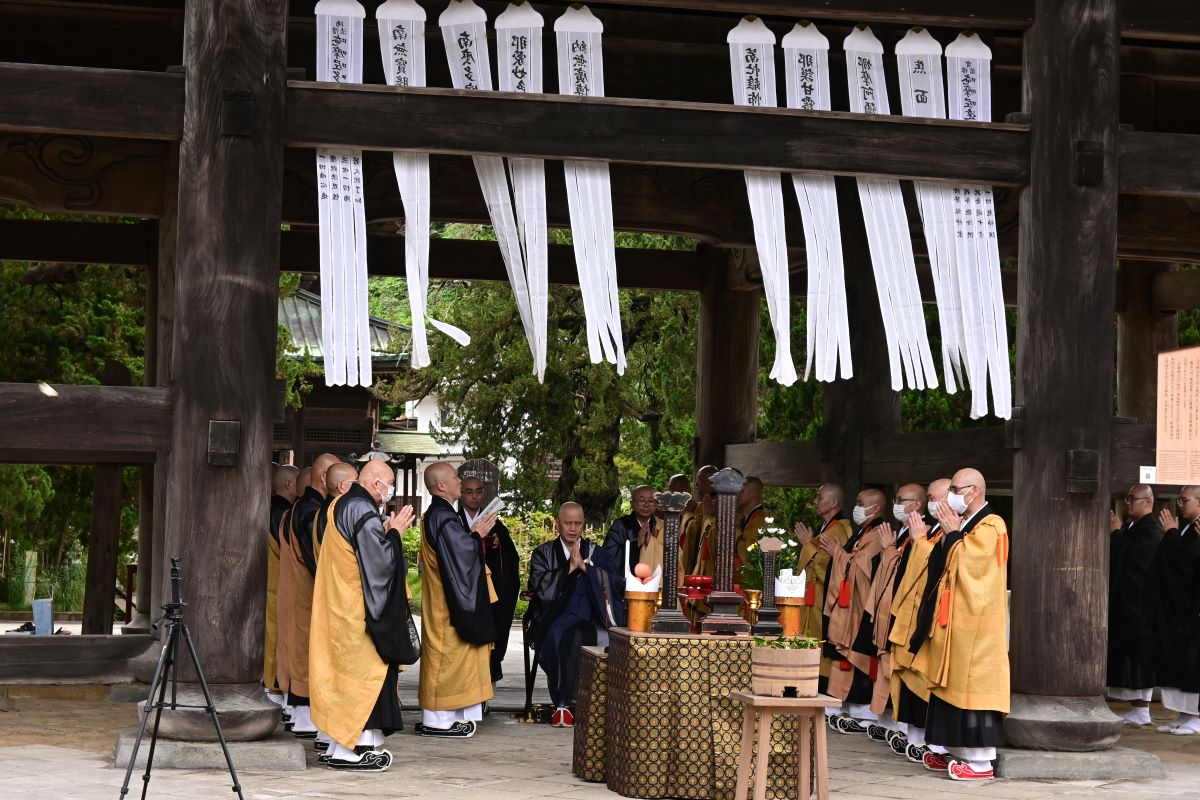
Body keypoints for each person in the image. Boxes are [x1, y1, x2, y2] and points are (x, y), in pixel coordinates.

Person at [309, 460, 415, 771]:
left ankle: (339, 743)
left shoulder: (340, 505)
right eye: (390, 483)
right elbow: (380, 563)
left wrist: (384, 532)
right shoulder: (363, 510)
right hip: (359, 612)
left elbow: (358, 550)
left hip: (338, 605)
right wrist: (394, 533)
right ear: (376, 483)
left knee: (343, 679)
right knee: (365, 679)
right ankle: (350, 749)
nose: (390, 490)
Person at [919, 468, 1010, 782]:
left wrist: (954, 534)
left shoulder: (992, 524)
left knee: (973, 687)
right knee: (951, 684)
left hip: (977, 626)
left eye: (956, 489)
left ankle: (980, 761)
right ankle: (955, 749)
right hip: (955, 623)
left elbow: (975, 565)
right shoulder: (967, 524)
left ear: (974, 491)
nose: (951, 496)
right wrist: (952, 533)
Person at [526, 502, 624, 728]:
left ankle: (566, 704)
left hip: (590, 615)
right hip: (554, 615)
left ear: (584, 525)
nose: (572, 528)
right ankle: (566, 703)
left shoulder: (596, 553)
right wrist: (568, 568)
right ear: (557, 524)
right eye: (567, 523)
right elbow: (540, 588)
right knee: (557, 636)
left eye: (577, 523)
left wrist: (588, 570)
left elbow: (615, 584)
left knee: (575, 637)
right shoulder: (544, 553)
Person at [418, 462, 497, 738]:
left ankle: (448, 716)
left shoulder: (439, 515)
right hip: (447, 604)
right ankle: (438, 719)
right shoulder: (442, 516)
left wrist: (472, 534)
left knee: (453, 657)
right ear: (441, 485)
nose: (459, 481)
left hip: (441, 597)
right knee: (448, 656)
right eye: (454, 477)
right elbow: (462, 553)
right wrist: (477, 534)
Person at [888, 478, 951, 763]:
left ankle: (930, 741)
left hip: (932, 615)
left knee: (924, 675)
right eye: (930, 497)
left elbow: (942, 565)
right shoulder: (932, 529)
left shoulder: (951, 531)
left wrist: (919, 542)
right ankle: (912, 734)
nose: (932, 503)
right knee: (908, 670)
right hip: (913, 610)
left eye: (935, 497)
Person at [276, 452, 339, 739]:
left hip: (299, 596)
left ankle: (302, 713)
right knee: (307, 655)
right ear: (324, 477)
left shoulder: (302, 507)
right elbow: (321, 560)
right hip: (310, 596)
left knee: (300, 651)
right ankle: (306, 717)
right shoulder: (312, 511)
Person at [861, 484, 927, 749]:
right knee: (885, 661)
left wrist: (889, 550)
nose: (896, 503)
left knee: (897, 664)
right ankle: (887, 719)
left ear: (918, 505)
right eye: (896, 499)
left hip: (905, 609)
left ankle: (901, 725)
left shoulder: (922, 535)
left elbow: (910, 570)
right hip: (889, 606)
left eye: (902, 500)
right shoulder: (902, 533)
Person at [821, 488, 889, 735]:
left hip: (860, 606)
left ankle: (861, 710)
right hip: (847, 605)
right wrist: (841, 554)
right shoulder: (863, 531)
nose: (856, 507)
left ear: (876, 508)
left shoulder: (877, 534)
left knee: (854, 651)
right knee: (841, 650)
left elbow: (860, 568)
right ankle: (844, 704)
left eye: (861, 503)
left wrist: (838, 553)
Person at [1105, 484, 1163, 726]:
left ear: (1148, 502)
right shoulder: (1133, 527)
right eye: (1126, 498)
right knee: (1131, 657)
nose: (1128, 502)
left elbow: (1136, 561)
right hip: (1127, 604)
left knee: (1140, 658)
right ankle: (1138, 710)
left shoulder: (1151, 531)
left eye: (1132, 498)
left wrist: (1117, 535)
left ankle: (1142, 710)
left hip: (1140, 606)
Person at [1145, 488, 1200, 735]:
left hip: (1194, 608)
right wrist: (1173, 536)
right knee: (1180, 660)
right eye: (1180, 500)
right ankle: (1185, 714)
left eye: (1185, 500)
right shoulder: (1189, 527)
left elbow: (1187, 563)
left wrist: (1171, 536)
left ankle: (1196, 716)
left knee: (1193, 662)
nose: (1180, 505)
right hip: (1182, 609)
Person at [458, 474, 520, 684]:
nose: (474, 496)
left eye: (478, 491)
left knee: (493, 633)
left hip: (492, 591)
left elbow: (510, 559)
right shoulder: (454, 521)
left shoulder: (494, 523)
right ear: (461, 493)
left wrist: (494, 543)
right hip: (467, 591)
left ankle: (487, 686)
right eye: (468, 491)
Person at [793, 483, 853, 694]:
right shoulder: (826, 527)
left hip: (826, 596)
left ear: (834, 502)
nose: (815, 502)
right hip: (814, 594)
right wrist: (810, 545)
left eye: (820, 498)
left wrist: (807, 544)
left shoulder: (839, 529)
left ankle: (823, 688)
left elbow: (828, 563)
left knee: (821, 637)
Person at [264, 465, 298, 705]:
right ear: (288, 485)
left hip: (272, 583)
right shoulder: (284, 514)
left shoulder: (273, 510)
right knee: (278, 636)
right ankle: (275, 689)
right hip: (280, 584)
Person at [602, 484, 666, 580]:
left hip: (655, 584)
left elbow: (673, 557)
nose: (646, 504)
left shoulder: (661, 526)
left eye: (651, 501)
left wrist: (652, 543)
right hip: (625, 586)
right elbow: (608, 557)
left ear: (656, 504)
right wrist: (636, 544)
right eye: (641, 500)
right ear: (632, 504)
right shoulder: (620, 525)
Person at [315, 462, 358, 561]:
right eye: (355, 483)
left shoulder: (326, 508)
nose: (358, 487)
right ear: (342, 486)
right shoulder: (336, 513)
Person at [681, 466, 717, 579]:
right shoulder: (701, 504)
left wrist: (687, 514)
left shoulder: (718, 503)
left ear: (712, 482)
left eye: (700, 480)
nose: (696, 484)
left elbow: (705, 531)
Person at [734, 476, 767, 572]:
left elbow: (749, 552)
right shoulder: (745, 515)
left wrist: (737, 530)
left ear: (753, 494)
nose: (737, 495)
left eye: (741, 491)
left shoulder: (760, 519)